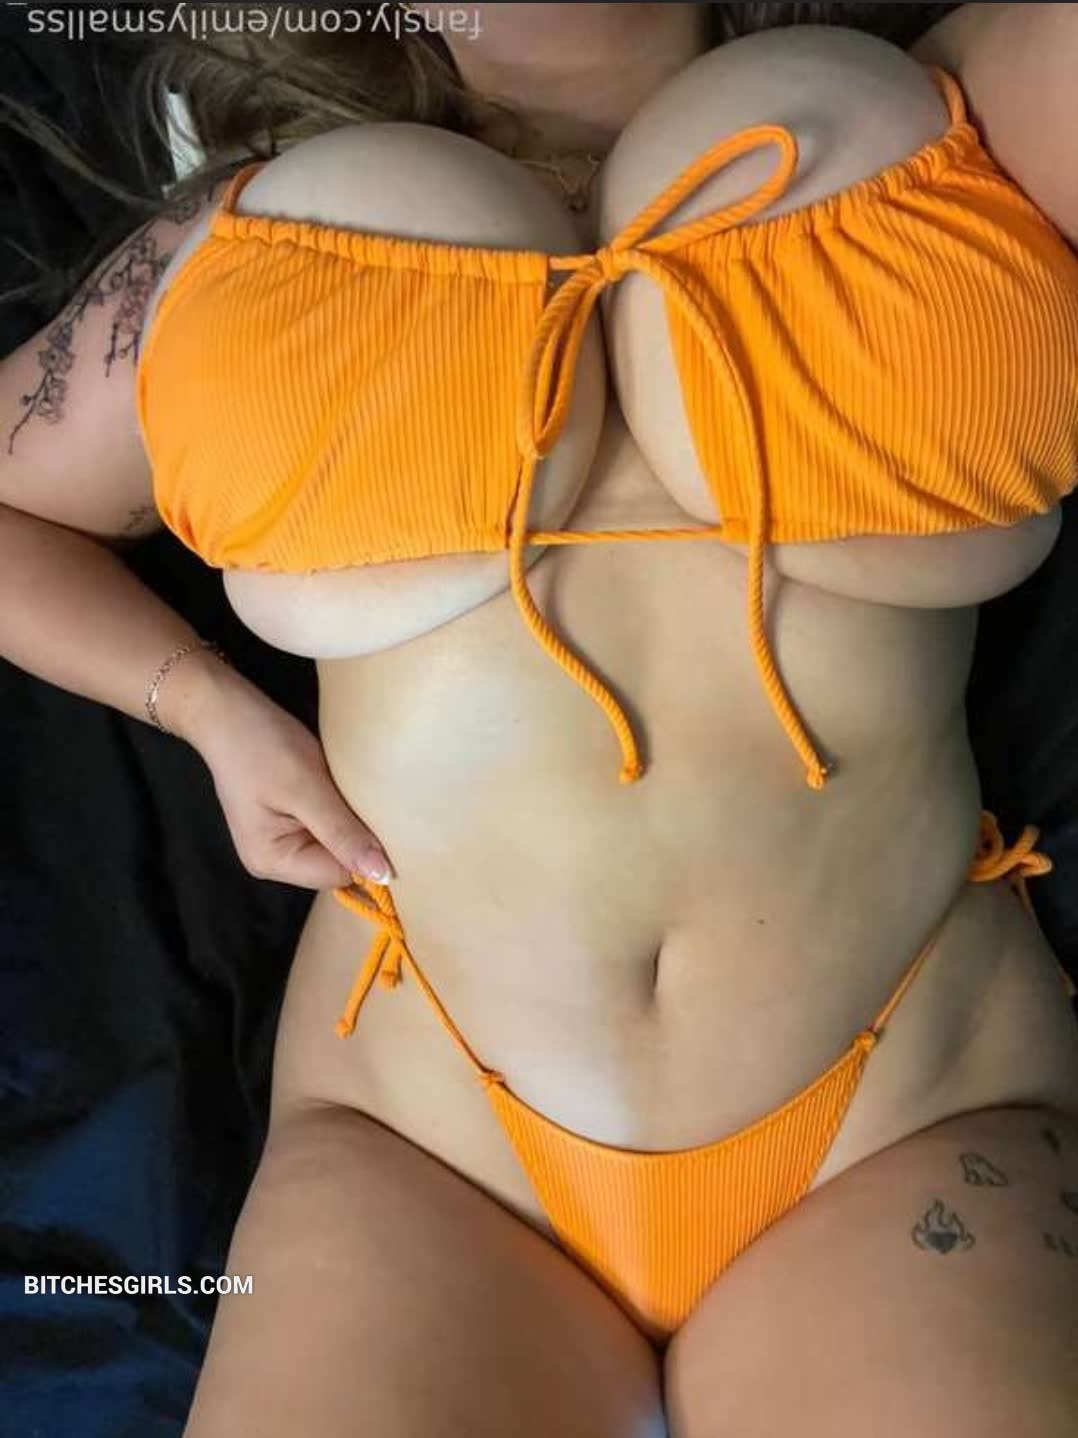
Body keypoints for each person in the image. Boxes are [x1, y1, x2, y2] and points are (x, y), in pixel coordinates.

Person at [1, 4, 1076, 1433]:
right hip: (426, 1137)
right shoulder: (242, 242)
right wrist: (203, 707)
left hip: (913, 1098)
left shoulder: (962, 120)